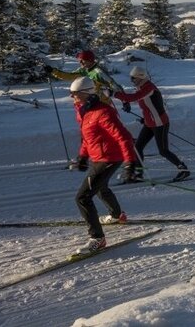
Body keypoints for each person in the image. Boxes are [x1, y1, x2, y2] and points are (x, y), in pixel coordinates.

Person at [69, 76, 138, 255]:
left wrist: (130, 163)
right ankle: (117, 215)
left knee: (83, 197)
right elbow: (88, 137)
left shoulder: (103, 112)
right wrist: (83, 156)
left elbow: (124, 137)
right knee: (100, 187)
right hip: (98, 157)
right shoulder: (84, 111)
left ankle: (97, 239)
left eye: (75, 94)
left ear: (85, 94)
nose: (72, 97)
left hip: (109, 158)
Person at [114, 66, 190, 183]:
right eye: (131, 78)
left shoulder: (149, 88)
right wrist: (144, 118)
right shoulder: (141, 88)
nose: (132, 81)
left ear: (140, 77)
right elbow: (147, 107)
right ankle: (138, 174)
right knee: (137, 147)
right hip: (150, 123)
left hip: (160, 123)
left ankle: (183, 169)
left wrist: (115, 94)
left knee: (163, 150)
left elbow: (134, 97)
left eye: (133, 78)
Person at [45, 50, 129, 112]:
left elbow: (114, 85)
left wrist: (125, 101)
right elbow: (69, 76)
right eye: (79, 60)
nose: (80, 62)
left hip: (102, 104)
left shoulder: (99, 72)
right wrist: (53, 71)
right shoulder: (84, 70)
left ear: (89, 60)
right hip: (89, 103)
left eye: (82, 60)